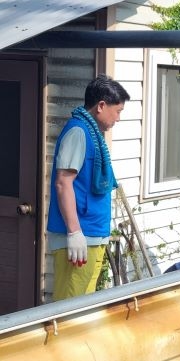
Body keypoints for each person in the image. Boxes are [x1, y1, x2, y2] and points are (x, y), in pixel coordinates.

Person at [47, 74, 130, 301]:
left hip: (92, 236)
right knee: (68, 312)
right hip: (77, 240)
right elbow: (63, 182)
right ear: (101, 106)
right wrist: (74, 233)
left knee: (83, 311)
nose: (118, 118)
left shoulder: (92, 134)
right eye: (118, 111)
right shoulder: (79, 132)